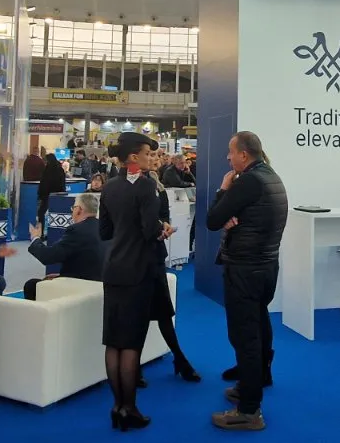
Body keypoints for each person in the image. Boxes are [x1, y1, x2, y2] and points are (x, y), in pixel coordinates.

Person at [207, 131, 287, 432]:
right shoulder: (270, 176)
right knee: (259, 324)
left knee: (245, 336)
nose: (228, 158)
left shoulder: (248, 182)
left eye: (231, 152)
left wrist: (223, 190)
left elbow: (213, 219)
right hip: (265, 267)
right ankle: (258, 378)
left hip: (245, 269)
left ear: (244, 154)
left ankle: (249, 410)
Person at [98, 132, 166, 431]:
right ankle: (130, 408)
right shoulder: (147, 186)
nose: (152, 157)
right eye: (148, 153)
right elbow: (150, 230)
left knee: (114, 341)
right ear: (134, 157)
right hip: (138, 271)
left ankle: (117, 407)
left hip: (113, 269)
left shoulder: (109, 186)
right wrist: (163, 229)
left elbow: (104, 232)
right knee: (132, 344)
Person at [139, 150, 199, 385]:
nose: (154, 159)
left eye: (155, 156)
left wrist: (164, 226)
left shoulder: (158, 187)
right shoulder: (124, 187)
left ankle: (179, 358)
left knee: (163, 311)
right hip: (135, 258)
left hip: (155, 256)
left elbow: (163, 215)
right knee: (139, 314)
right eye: (149, 155)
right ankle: (135, 365)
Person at [18, 192, 105, 300]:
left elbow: (47, 257)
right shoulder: (104, 228)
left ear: (79, 210)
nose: (72, 211)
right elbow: (89, 260)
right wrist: (61, 276)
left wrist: (35, 238)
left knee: (31, 285)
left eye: (73, 207)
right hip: (99, 285)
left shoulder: (76, 230)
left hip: (80, 287)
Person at [36, 150, 67, 228]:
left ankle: (42, 231)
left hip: (47, 196)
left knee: (41, 213)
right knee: (55, 213)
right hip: (58, 195)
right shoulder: (60, 169)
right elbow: (63, 183)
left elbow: (43, 183)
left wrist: (40, 195)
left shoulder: (47, 170)